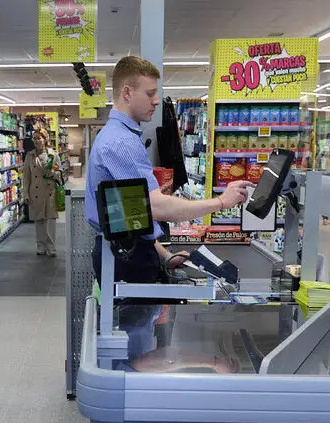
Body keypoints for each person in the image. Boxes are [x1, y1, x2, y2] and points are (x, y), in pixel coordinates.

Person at [86, 56, 250, 363]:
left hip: (129, 250)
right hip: (126, 258)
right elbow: (156, 206)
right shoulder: (120, 143)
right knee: (136, 344)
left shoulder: (120, 137)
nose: (156, 100)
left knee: (141, 333)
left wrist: (164, 255)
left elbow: (133, 216)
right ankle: (131, 400)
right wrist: (221, 202)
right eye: (149, 93)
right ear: (126, 92)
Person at [25, 129, 65, 256]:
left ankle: (51, 247)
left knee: (51, 221)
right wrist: (25, 193)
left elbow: (61, 172)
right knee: (39, 221)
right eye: (35, 138)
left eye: (40, 138)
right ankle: (40, 246)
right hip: (35, 191)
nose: (37, 141)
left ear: (45, 139)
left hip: (50, 191)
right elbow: (26, 176)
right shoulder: (29, 156)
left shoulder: (53, 155)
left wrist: (54, 174)